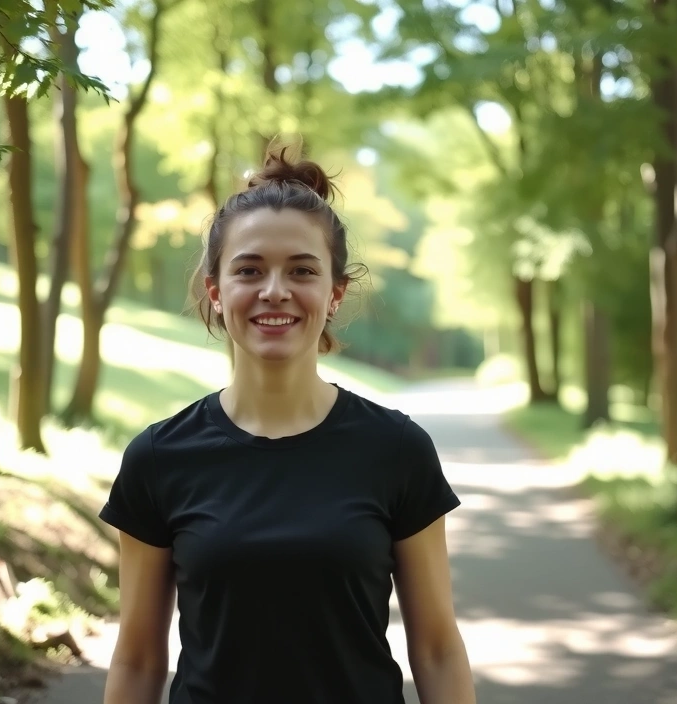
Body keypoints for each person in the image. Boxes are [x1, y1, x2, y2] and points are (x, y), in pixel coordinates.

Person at [98, 146, 476, 704]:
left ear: (334, 294)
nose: (275, 290)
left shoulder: (396, 449)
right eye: (249, 270)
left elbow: (439, 649)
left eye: (302, 270)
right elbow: (137, 659)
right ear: (216, 291)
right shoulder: (159, 457)